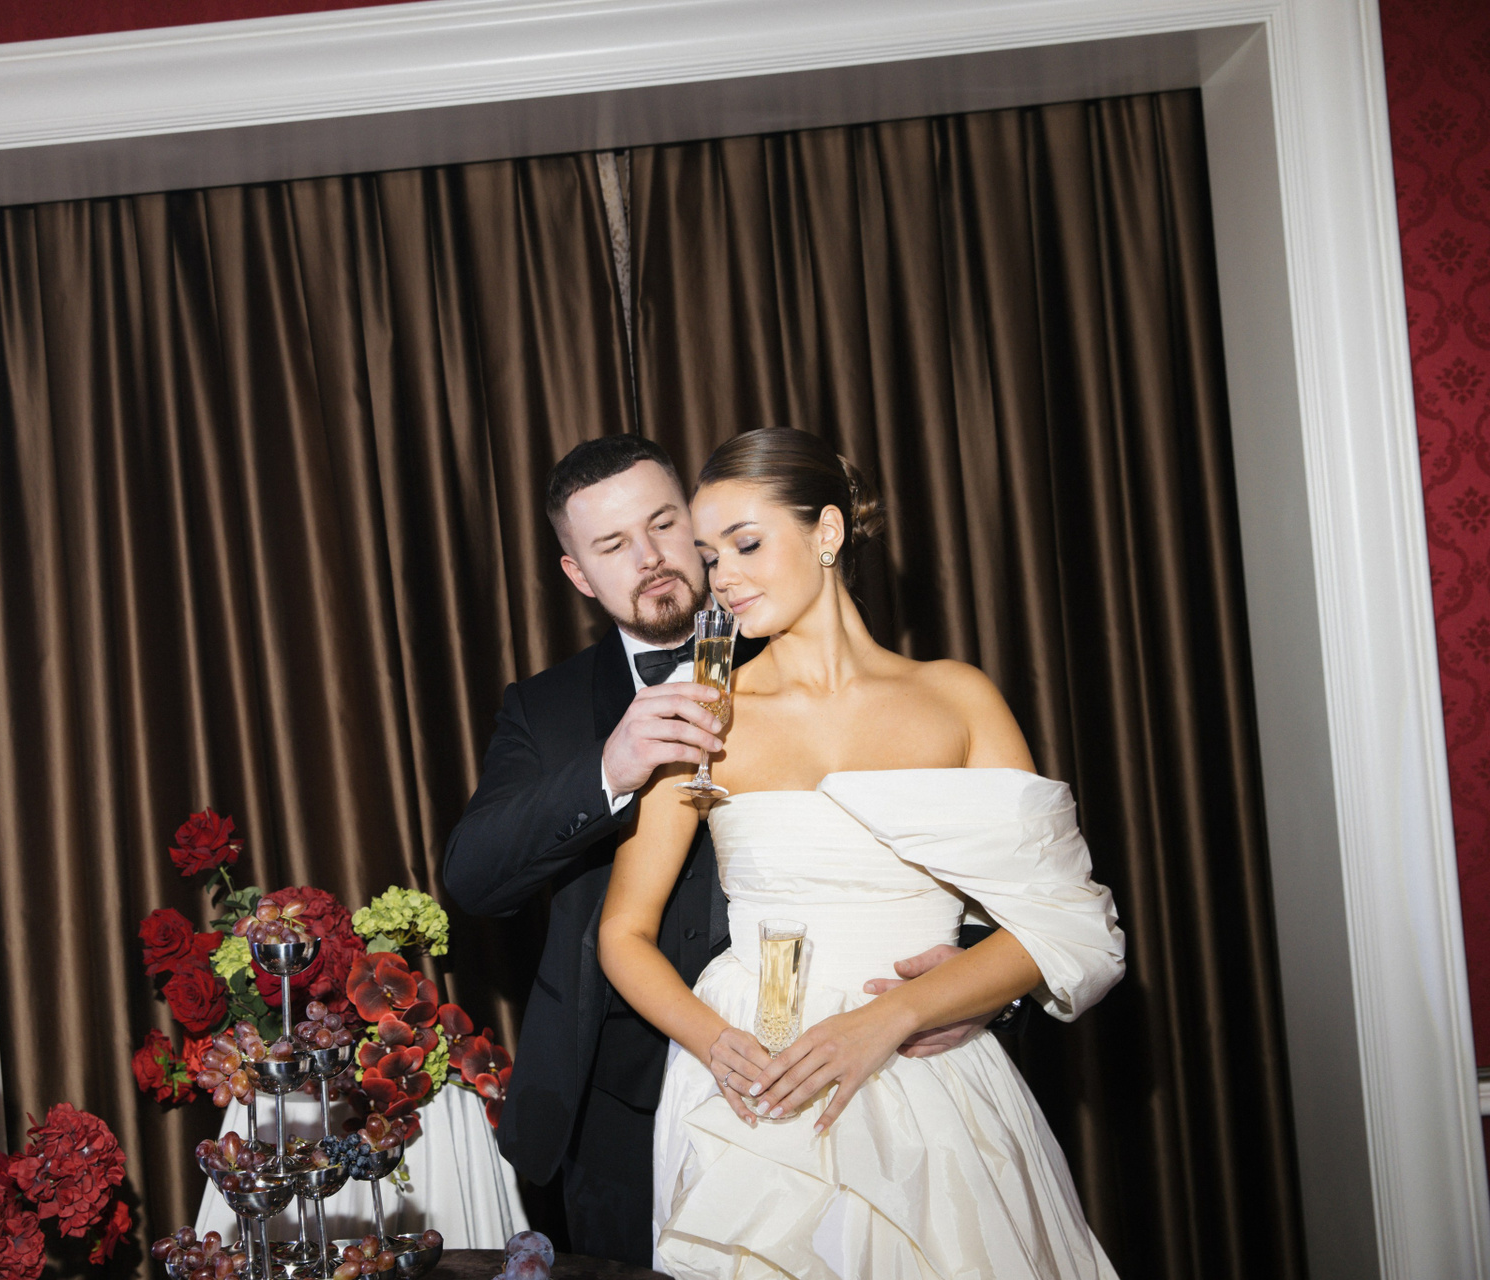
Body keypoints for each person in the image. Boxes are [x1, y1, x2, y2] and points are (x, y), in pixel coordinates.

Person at [443, 435, 1013, 1265]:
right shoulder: (544, 708)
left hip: (861, 1068)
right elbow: (473, 877)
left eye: (664, 524)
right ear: (578, 574)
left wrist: (976, 988)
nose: (651, 558)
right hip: (615, 1108)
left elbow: (972, 875)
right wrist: (610, 768)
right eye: (613, 544)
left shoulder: (794, 634)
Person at [598, 428, 1125, 1279]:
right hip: (759, 1079)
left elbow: (1065, 926)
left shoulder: (956, 698)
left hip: (927, 1069)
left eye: (746, 544)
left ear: (829, 533)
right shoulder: (700, 710)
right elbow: (623, 932)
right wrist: (714, 1041)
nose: (721, 577)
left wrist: (895, 1016)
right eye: (710, 555)